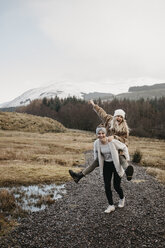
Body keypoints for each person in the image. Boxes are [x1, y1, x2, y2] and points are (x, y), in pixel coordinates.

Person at [69, 100, 134, 183]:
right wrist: (93, 105)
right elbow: (101, 112)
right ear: (114, 116)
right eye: (118, 116)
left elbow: (124, 141)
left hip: (117, 150)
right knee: (96, 161)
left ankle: (128, 172)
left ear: (123, 119)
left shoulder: (124, 129)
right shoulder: (109, 120)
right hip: (106, 147)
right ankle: (79, 176)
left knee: (121, 158)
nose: (119, 118)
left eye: (121, 117)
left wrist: (114, 137)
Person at [96, 126, 129, 213]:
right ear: (97, 135)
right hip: (106, 165)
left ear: (105, 134)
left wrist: (126, 159)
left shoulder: (112, 141)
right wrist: (97, 162)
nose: (101, 135)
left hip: (116, 165)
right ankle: (111, 205)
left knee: (116, 186)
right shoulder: (96, 143)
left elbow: (124, 147)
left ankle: (122, 198)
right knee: (107, 186)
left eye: (102, 133)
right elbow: (96, 153)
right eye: (99, 133)